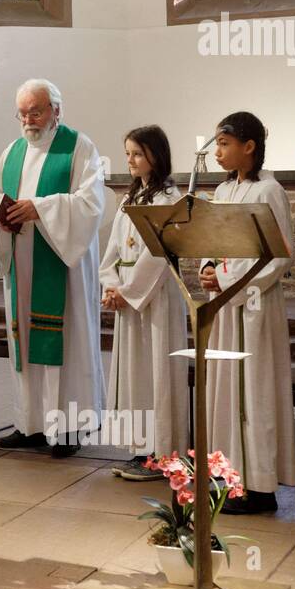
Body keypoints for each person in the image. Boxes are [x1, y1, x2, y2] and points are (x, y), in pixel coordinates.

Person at [0, 80, 105, 458]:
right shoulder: (12, 152)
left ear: (56, 111)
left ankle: (66, 429)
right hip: (22, 266)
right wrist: (0, 220)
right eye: (23, 113)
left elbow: (90, 204)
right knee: (26, 343)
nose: (29, 120)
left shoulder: (79, 147)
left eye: (36, 111)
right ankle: (29, 424)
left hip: (61, 271)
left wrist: (41, 209)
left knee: (64, 343)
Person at [200, 112, 295, 514]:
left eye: (224, 144)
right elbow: (211, 237)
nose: (216, 152)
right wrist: (208, 267)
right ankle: (229, 476)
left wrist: (225, 278)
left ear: (249, 146)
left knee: (252, 391)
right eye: (217, 144)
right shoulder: (223, 192)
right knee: (227, 388)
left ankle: (259, 487)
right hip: (224, 306)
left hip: (253, 308)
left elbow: (278, 254)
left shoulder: (269, 191)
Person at [99, 125, 189, 480]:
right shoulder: (129, 199)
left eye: (137, 153)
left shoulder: (170, 200)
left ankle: (162, 452)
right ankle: (141, 448)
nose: (131, 161)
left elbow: (160, 255)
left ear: (155, 155)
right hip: (128, 299)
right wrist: (110, 284)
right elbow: (112, 250)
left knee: (157, 373)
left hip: (156, 300)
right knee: (135, 374)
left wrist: (128, 290)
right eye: (127, 154)